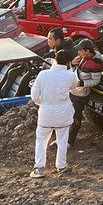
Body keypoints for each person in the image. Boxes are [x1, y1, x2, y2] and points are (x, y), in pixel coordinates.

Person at [30, 49, 77, 178]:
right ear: (68, 63)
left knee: (41, 141)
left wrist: (42, 103)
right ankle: (61, 167)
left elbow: (34, 96)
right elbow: (74, 86)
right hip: (63, 115)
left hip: (46, 114)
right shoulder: (70, 75)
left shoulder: (43, 75)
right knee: (62, 141)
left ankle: (39, 168)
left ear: (55, 59)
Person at [68, 39, 103, 146]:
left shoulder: (94, 64)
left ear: (87, 51)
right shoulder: (82, 58)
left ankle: (70, 141)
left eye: (80, 50)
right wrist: (72, 63)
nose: (78, 53)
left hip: (80, 94)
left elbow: (95, 81)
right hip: (73, 90)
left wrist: (82, 83)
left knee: (75, 117)